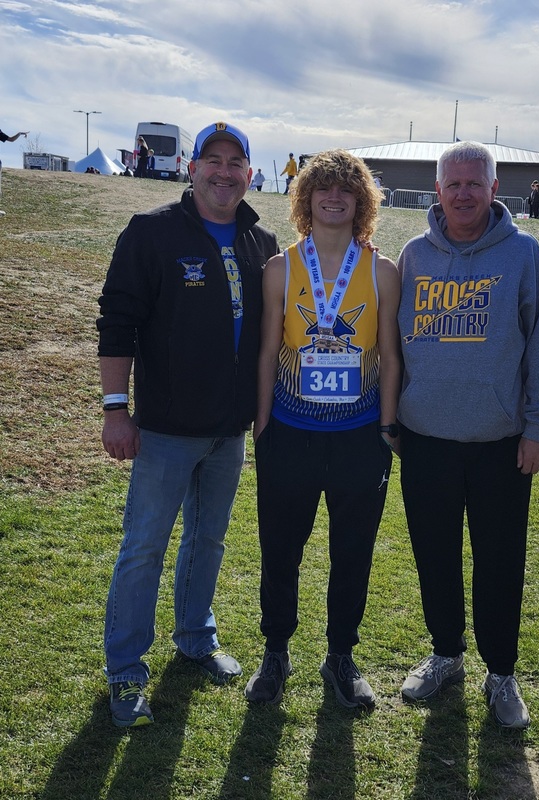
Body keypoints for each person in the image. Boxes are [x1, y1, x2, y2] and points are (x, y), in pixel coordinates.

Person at [96, 121, 279, 728]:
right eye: (212, 160)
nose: (224, 172)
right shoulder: (151, 233)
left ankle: (196, 637)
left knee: (208, 539)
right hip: (167, 429)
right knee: (144, 547)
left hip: (229, 431)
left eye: (236, 162)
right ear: (191, 168)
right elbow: (117, 320)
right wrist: (114, 408)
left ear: (249, 174)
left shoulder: (262, 243)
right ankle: (125, 669)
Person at [396, 141, 539, 729]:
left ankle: (502, 672)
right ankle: (445, 654)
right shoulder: (415, 255)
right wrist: (393, 417)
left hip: (500, 442)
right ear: (436, 191)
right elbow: (394, 344)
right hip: (425, 439)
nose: (463, 194)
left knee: (499, 560)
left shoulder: (522, 254)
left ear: (495, 189)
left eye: (475, 183)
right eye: (453, 184)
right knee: (434, 555)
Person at [245, 149, 401, 709]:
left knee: (352, 550)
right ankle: (275, 651)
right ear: (305, 198)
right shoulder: (280, 268)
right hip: (289, 432)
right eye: (322, 190)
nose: (334, 199)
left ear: (361, 203)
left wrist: (387, 428)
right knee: (280, 548)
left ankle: (340, 655)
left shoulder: (383, 270)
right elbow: (267, 351)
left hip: (360, 436)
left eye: (346, 191)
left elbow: (389, 354)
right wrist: (262, 427)